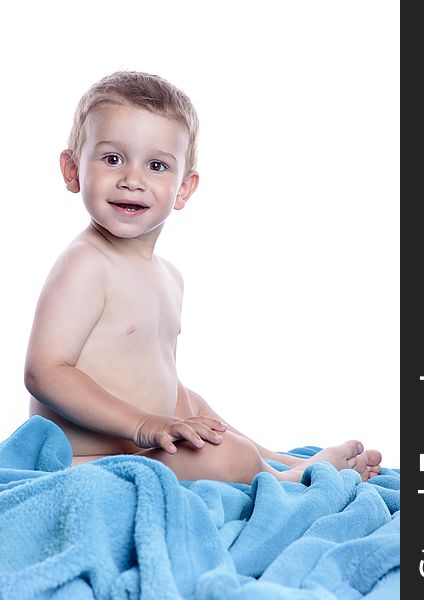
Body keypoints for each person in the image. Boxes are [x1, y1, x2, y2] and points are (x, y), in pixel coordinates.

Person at [25, 71, 381, 484]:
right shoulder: (86, 264)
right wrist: (144, 424)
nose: (133, 179)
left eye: (157, 165)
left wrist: (183, 419)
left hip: (151, 443)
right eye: (112, 158)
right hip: (89, 462)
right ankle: (286, 479)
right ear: (72, 170)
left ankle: (275, 459)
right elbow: (45, 370)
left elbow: (161, 382)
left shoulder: (169, 277)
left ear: (184, 189)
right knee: (223, 457)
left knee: (200, 412)